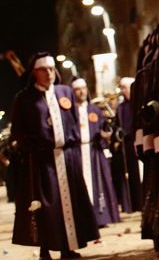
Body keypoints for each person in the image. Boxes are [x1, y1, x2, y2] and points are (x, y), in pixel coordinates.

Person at [11, 53, 99, 259]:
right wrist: (34, 147)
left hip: (67, 158)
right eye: (44, 70)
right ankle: (45, 248)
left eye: (51, 69)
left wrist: (72, 142)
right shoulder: (24, 99)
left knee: (70, 203)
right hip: (42, 161)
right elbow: (18, 131)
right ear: (34, 73)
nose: (49, 73)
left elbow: (76, 120)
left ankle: (68, 247)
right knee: (46, 206)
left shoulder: (65, 92)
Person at [71, 78, 119, 228]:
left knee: (99, 183)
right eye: (78, 89)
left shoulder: (94, 110)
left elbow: (105, 128)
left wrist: (106, 135)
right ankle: (83, 219)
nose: (82, 91)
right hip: (78, 151)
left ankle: (100, 217)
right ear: (73, 92)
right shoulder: (70, 111)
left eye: (84, 88)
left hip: (94, 151)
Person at [111, 77, 140, 214]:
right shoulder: (121, 108)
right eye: (121, 88)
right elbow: (117, 126)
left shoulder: (139, 103)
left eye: (125, 87)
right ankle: (132, 204)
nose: (123, 91)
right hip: (127, 145)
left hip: (139, 141)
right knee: (130, 175)